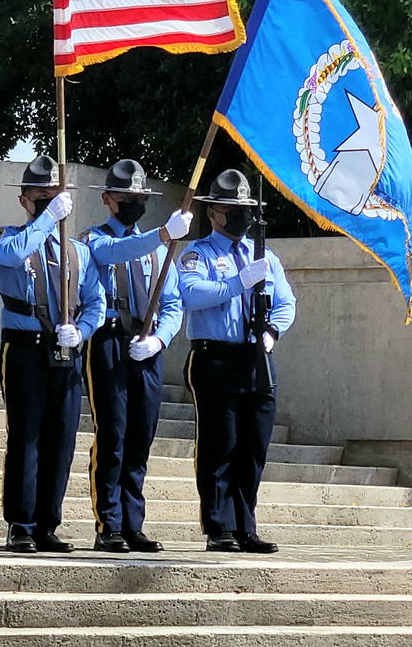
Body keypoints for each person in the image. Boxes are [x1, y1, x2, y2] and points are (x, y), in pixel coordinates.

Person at [0, 154, 106, 553]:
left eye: (55, 195)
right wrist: (44, 219)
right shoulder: (9, 236)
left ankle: (46, 523)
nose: (49, 201)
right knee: (26, 438)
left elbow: (96, 301)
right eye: (41, 196)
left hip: (64, 352)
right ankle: (20, 523)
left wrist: (83, 331)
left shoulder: (78, 251)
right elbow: (9, 255)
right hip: (25, 348)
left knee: (61, 439)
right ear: (25, 200)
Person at [176, 168, 296, 553]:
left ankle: (247, 525)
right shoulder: (199, 253)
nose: (241, 216)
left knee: (253, 446)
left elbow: (287, 303)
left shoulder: (265, 257)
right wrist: (238, 283)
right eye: (233, 209)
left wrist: (272, 332)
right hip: (216, 356)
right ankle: (219, 526)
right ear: (214, 213)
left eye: (246, 208)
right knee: (219, 444)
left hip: (256, 356)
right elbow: (191, 294)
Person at [81, 159, 189, 553]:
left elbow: (173, 303)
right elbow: (115, 253)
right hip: (108, 340)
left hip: (146, 344)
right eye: (126, 198)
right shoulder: (93, 239)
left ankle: (132, 522)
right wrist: (162, 234)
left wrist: (160, 339)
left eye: (140, 198)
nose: (133, 204)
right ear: (108, 199)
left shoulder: (160, 250)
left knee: (141, 436)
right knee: (112, 434)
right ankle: (107, 522)